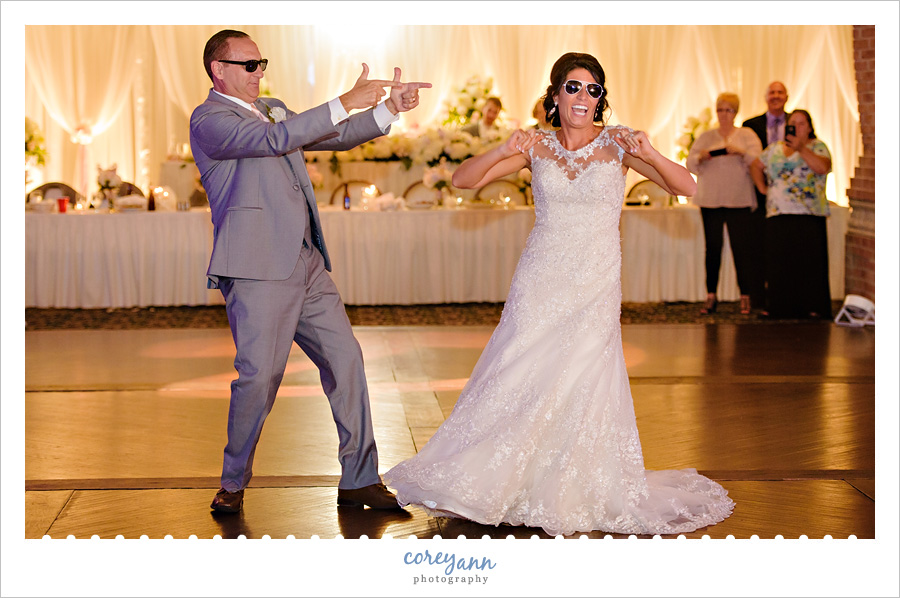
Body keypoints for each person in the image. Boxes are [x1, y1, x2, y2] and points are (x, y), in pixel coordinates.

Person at [384, 52, 734, 536]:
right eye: (573, 87)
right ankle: (498, 478)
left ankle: (568, 486)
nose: (583, 98)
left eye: (593, 90)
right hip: (540, 282)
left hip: (594, 286)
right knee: (518, 375)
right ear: (554, 95)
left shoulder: (618, 145)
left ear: (600, 99)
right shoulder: (536, 147)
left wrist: (650, 153)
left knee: (582, 379)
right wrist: (501, 147)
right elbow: (464, 180)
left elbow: (688, 187)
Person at [189, 30, 430, 513]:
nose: (260, 72)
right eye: (249, 65)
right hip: (257, 269)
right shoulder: (209, 118)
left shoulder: (273, 106)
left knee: (347, 362)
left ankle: (359, 477)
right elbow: (273, 140)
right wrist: (344, 98)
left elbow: (331, 134)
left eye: (262, 63)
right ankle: (233, 483)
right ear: (219, 70)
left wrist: (388, 110)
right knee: (259, 378)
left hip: (307, 263)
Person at [750, 109, 833, 319]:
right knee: (779, 262)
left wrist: (801, 149)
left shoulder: (818, 147)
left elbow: (823, 167)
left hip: (809, 213)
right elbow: (755, 165)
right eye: (792, 122)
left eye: (801, 123)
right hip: (778, 214)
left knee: (809, 263)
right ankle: (778, 306)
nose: (796, 126)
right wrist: (762, 187)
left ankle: (813, 307)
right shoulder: (775, 149)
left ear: (810, 127)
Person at [686, 93, 763, 315]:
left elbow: (758, 161)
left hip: (738, 199)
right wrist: (701, 156)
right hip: (711, 199)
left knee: (742, 248)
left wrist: (740, 152)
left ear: (736, 112)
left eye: (728, 110)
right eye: (720, 110)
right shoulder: (706, 136)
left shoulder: (746, 135)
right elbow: (690, 163)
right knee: (713, 248)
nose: (724, 114)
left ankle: (745, 295)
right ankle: (711, 295)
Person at [742, 81, 789, 310]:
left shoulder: (797, 123)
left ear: (787, 97)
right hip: (758, 195)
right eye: (772, 92)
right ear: (766, 97)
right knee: (757, 248)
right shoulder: (750, 125)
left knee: (783, 248)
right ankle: (758, 300)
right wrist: (761, 186)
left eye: (780, 92)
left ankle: (782, 297)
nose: (776, 96)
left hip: (788, 198)